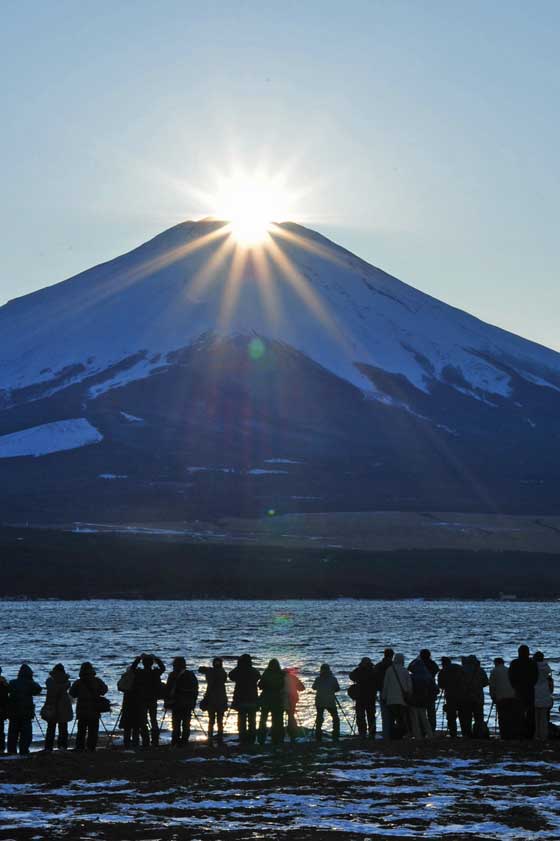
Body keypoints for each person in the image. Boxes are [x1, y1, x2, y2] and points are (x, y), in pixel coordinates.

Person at [69, 662, 109, 752]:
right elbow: (104, 690)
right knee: (93, 730)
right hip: (94, 708)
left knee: (81, 730)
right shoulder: (97, 680)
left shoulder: (78, 682)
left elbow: (72, 693)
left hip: (82, 709)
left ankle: (80, 747)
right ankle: (91, 747)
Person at [7, 664, 42, 755]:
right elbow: (38, 689)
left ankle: (11, 751)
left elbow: (8, 692)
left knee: (12, 733)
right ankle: (24, 750)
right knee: (26, 734)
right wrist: (31, 680)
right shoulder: (30, 683)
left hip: (13, 712)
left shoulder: (12, 682)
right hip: (26, 712)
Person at [164, 657, 198, 747]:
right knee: (186, 724)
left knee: (176, 723)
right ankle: (184, 741)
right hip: (187, 703)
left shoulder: (172, 675)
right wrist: (193, 701)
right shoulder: (190, 675)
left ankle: (175, 741)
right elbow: (195, 689)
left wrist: (167, 701)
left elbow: (168, 689)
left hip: (176, 703)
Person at [133, 654, 165, 746]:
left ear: (143, 663)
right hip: (152, 699)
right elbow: (163, 668)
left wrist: (138, 658)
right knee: (153, 719)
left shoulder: (140, 673)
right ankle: (155, 741)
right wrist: (156, 658)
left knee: (143, 720)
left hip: (142, 699)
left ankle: (145, 741)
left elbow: (132, 668)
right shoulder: (155, 673)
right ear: (151, 663)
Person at [229, 654, 260, 745]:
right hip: (252, 699)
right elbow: (259, 677)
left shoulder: (238, 670)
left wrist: (238, 667)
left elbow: (230, 675)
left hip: (240, 699)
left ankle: (242, 738)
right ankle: (252, 738)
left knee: (241, 720)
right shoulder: (254, 671)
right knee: (252, 721)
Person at [118, 657, 149, 749]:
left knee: (128, 726)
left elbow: (120, 687)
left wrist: (137, 660)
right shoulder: (141, 680)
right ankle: (136, 744)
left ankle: (127, 744)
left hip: (128, 704)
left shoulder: (127, 680)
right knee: (136, 726)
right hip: (138, 704)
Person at [509, 645, 538, 739]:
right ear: (528, 652)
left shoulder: (514, 663)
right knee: (531, 713)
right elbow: (535, 677)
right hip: (530, 690)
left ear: (519, 653)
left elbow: (511, 677)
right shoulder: (532, 663)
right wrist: (531, 684)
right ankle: (530, 734)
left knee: (518, 713)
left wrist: (515, 687)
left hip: (519, 690)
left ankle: (519, 733)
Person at [43, 663, 73, 751]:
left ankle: (48, 747)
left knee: (51, 728)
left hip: (52, 705)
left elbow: (50, 687)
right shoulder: (67, 682)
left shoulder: (49, 681)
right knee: (63, 728)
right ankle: (62, 746)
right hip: (64, 706)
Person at [381, 653, 411, 739]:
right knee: (401, 719)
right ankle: (400, 735)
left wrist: (384, 697)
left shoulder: (389, 670)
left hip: (390, 700)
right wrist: (409, 695)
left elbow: (385, 685)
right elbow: (409, 686)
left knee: (391, 719)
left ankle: (391, 735)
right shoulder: (405, 670)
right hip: (402, 700)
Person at [409, 650, 439, 732]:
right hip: (430, 690)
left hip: (419, 692)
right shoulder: (432, 664)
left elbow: (409, 667)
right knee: (431, 713)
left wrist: (416, 659)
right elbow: (437, 669)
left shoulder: (417, 665)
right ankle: (432, 730)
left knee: (421, 713)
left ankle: (422, 730)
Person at [199, 658, 228, 743]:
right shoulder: (223, 672)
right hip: (221, 699)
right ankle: (220, 736)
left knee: (211, 720)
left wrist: (208, 670)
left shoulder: (210, 673)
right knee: (220, 720)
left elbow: (209, 685)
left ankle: (210, 736)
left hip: (212, 699)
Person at [349, 657, 378, 740]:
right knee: (371, 715)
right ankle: (372, 733)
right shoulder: (373, 671)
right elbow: (377, 682)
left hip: (360, 697)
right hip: (371, 697)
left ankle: (362, 732)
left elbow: (351, 676)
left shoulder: (359, 670)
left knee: (360, 715)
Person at [258, 659, 285, 745]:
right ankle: (276, 739)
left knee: (263, 720)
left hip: (265, 699)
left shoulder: (266, 673)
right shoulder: (281, 674)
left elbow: (260, 685)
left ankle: (261, 739)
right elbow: (282, 685)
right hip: (277, 699)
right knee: (276, 720)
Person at [489, 657, 517, 739]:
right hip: (511, 696)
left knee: (502, 717)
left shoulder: (494, 671)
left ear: (496, 663)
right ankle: (511, 733)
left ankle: (504, 734)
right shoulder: (509, 670)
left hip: (500, 697)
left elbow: (492, 686)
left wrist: (492, 696)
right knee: (510, 716)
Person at [438, 657, 466, 737]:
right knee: (463, 714)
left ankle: (453, 733)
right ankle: (465, 732)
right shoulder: (459, 668)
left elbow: (441, 685)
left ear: (443, 663)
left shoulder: (443, 671)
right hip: (462, 694)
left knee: (451, 715)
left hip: (450, 695)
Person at [461, 655, 489, 738]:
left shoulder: (462, 670)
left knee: (467, 717)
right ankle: (479, 733)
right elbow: (486, 682)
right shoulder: (480, 670)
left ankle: (467, 734)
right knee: (479, 717)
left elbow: (459, 683)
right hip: (478, 697)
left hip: (466, 697)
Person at [312, 664, 340, 741]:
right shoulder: (333, 679)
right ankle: (336, 734)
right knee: (335, 718)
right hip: (330, 701)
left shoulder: (318, 679)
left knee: (319, 718)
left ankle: (318, 735)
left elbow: (314, 687)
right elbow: (337, 688)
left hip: (320, 701)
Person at [408, 658, 434, 739]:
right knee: (424, 719)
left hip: (413, 700)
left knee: (415, 720)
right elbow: (435, 689)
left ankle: (417, 736)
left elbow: (409, 688)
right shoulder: (428, 676)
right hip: (424, 700)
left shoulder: (412, 677)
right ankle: (430, 735)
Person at [374, 649, 395, 739]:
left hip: (382, 691)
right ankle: (393, 733)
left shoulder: (378, 666)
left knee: (385, 714)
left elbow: (374, 679)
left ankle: (386, 734)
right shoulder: (394, 666)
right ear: (392, 655)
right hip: (393, 691)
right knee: (394, 714)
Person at [533, 651, 553, 741]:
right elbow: (550, 681)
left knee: (536, 717)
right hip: (545, 692)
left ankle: (536, 734)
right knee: (544, 717)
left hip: (535, 692)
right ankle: (544, 735)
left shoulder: (532, 666)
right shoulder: (547, 667)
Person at [283, 667, 305, 742]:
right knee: (291, 716)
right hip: (292, 699)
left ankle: (282, 734)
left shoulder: (279, 678)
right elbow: (302, 688)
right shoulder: (293, 677)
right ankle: (292, 734)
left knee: (280, 717)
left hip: (282, 699)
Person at [0, 667, 9, 754]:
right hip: (2, 710)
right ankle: (1, 749)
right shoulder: (4, 683)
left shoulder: (4, 683)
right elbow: (6, 698)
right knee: (1, 731)